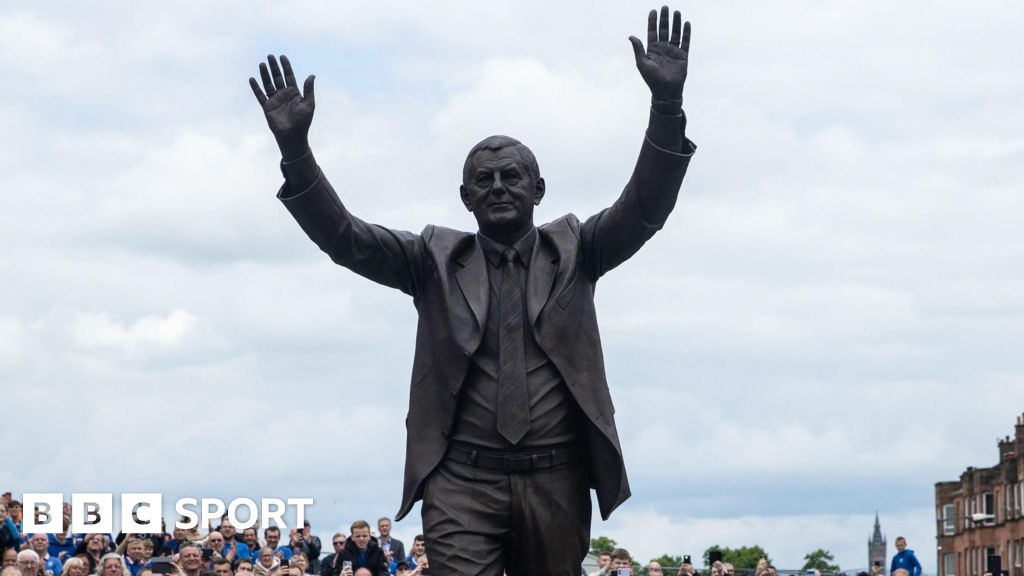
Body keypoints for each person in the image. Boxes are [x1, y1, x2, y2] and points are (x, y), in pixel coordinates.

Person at [248, 6, 695, 576]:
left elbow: (646, 205)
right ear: (465, 197)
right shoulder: (431, 259)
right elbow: (345, 238)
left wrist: (666, 107)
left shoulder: (580, 250)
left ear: (539, 189)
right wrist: (296, 152)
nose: (499, 186)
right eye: (484, 180)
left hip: (556, 477)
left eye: (512, 176)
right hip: (462, 480)